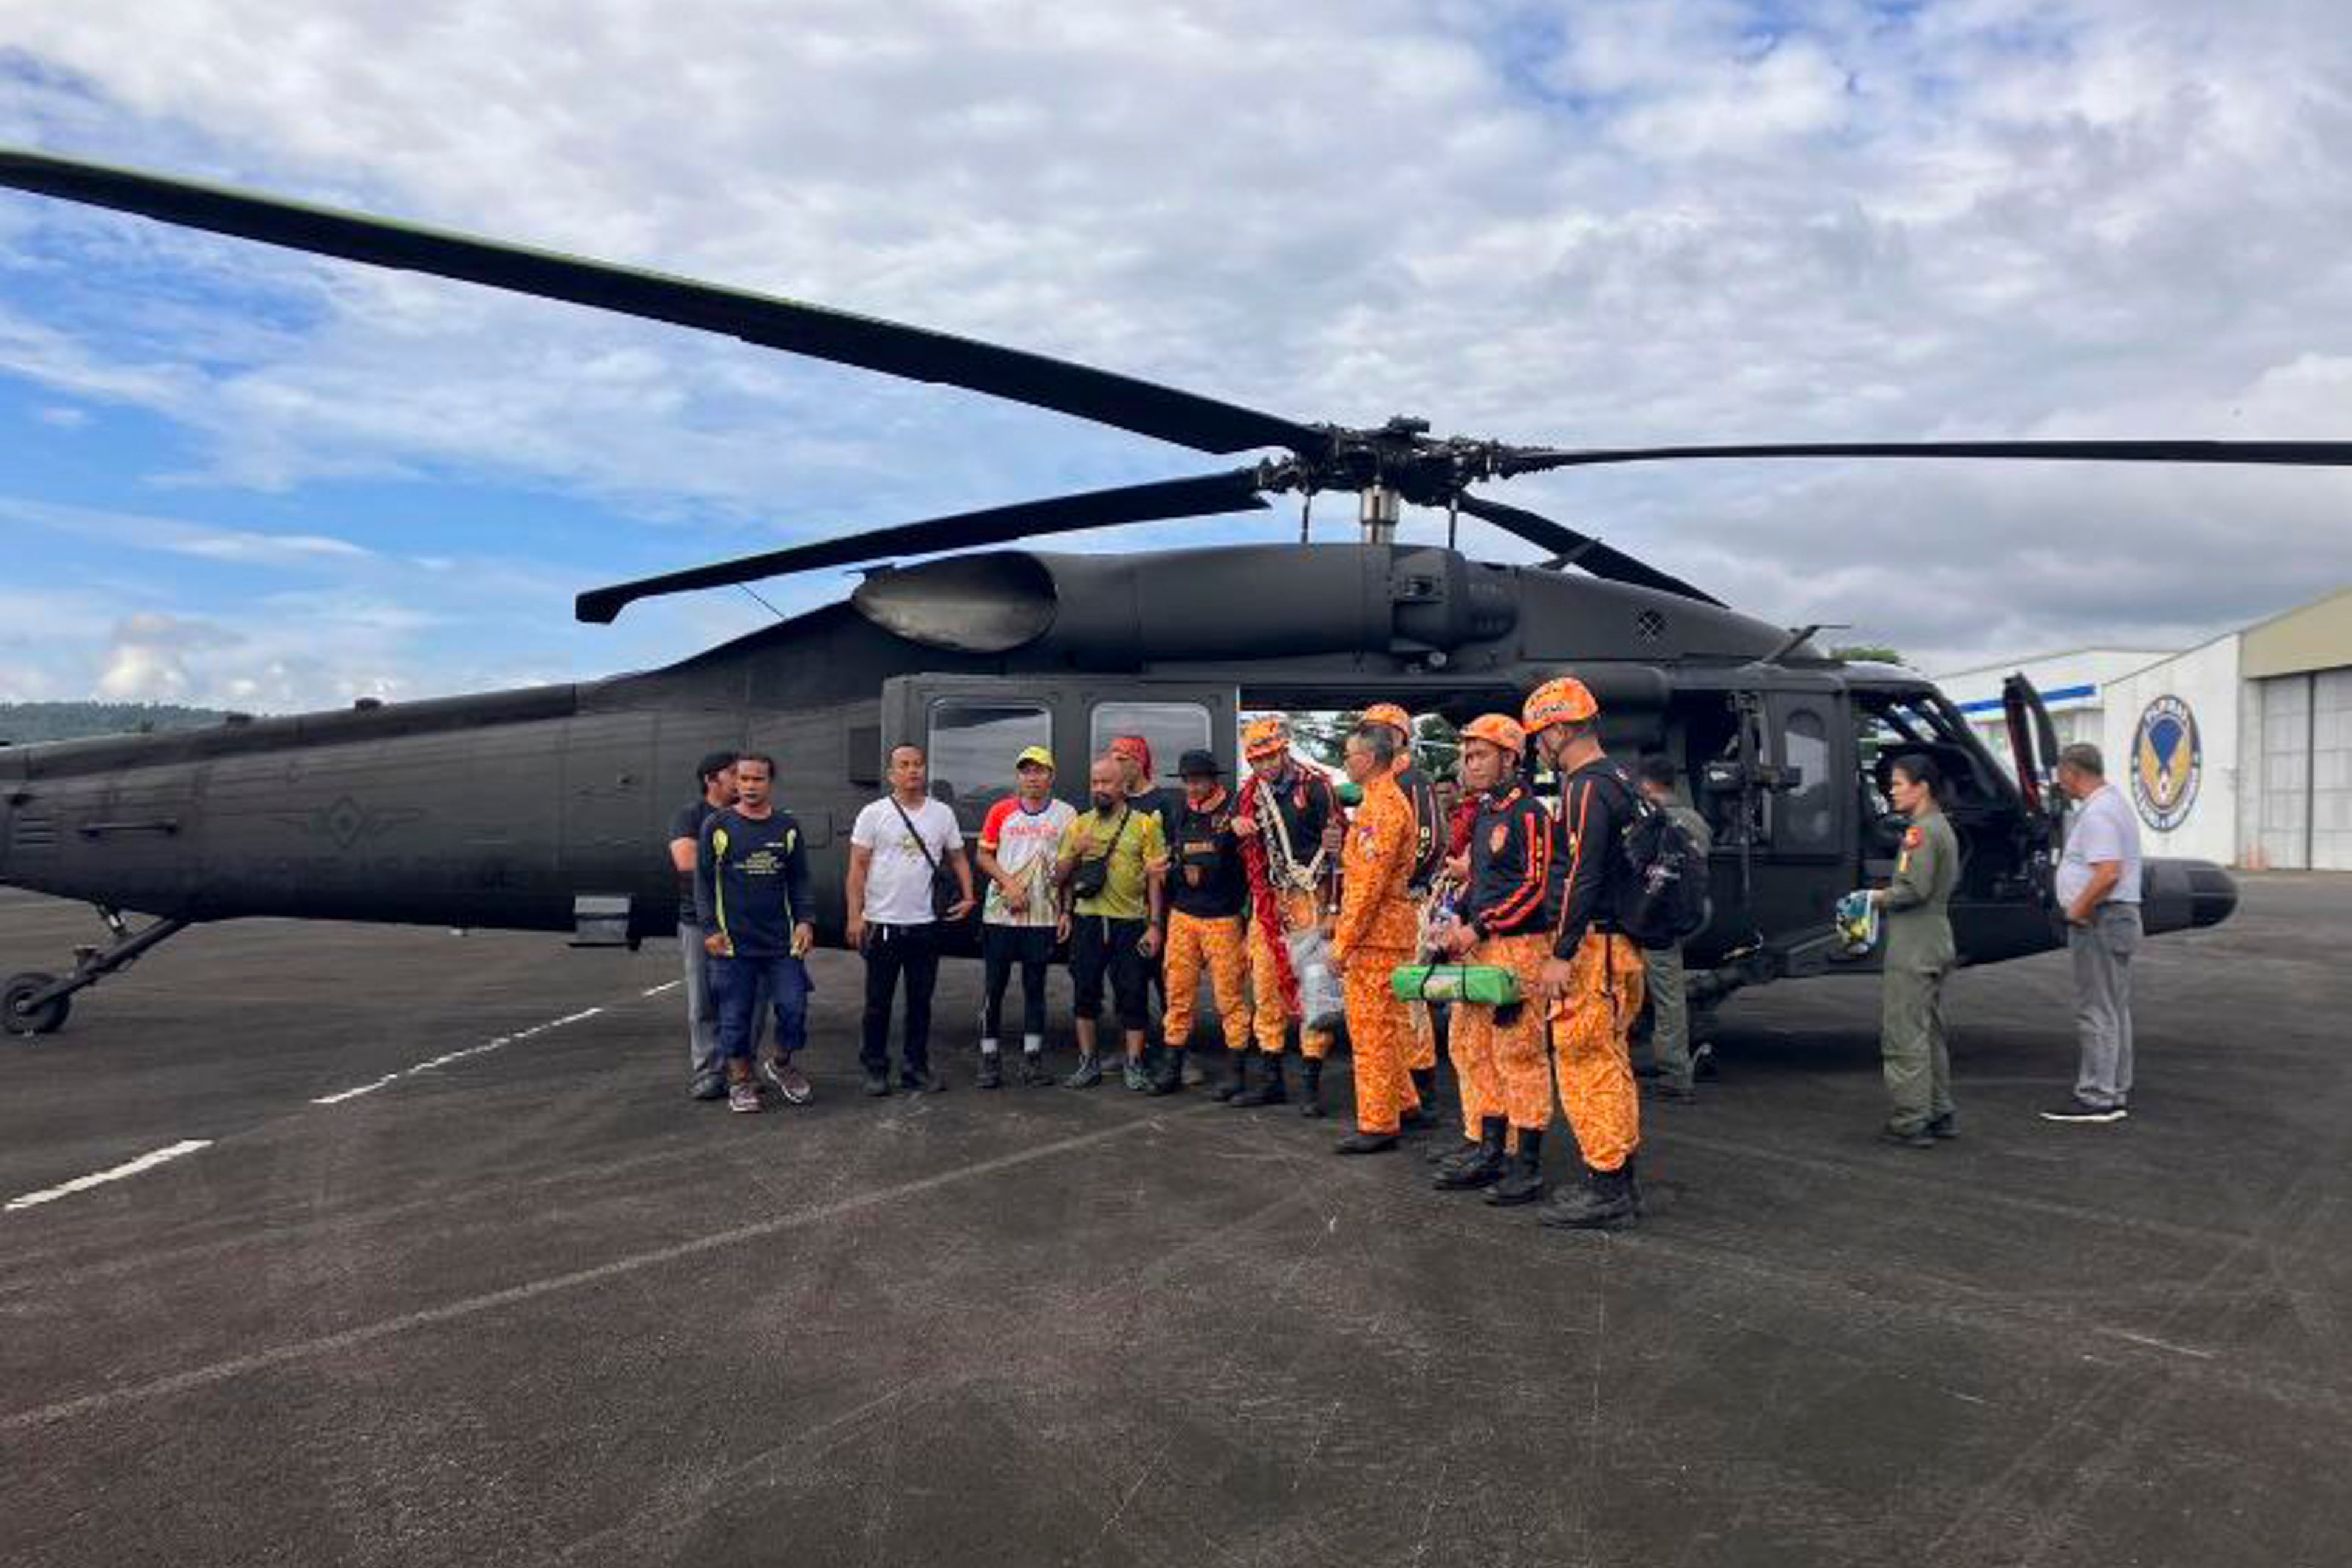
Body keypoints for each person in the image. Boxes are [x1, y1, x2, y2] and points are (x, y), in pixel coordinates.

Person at [1525, 675, 1647, 1227]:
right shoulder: (1621, 779)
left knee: (1582, 1061)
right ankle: (1618, 1176)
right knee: (1612, 1060)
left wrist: (1562, 951)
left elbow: (1579, 877)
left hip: (1592, 946)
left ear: (1562, 729)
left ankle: (1607, 1189)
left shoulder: (1584, 787)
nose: (1537, 747)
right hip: (1620, 944)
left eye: (1539, 735)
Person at [1428, 714, 1554, 1193]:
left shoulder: (1530, 814)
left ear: (1510, 758)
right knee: (1471, 1047)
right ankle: (1489, 1148)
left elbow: (1536, 889)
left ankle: (1528, 1165)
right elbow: (1480, 882)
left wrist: (1478, 927)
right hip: (1478, 948)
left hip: (1518, 950)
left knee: (1519, 1054)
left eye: (1480, 755)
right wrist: (1454, 921)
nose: (1469, 764)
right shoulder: (1485, 812)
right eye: (1467, 755)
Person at [847, 745, 974, 1096]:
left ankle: (915, 1067)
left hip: (926, 924)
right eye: (904, 766)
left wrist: (968, 896)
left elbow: (959, 859)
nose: (913, 771)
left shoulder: (942, 814)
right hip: (882, 923)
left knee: (921, 1003)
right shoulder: (874, 814)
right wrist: (854, 916)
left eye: (918, 765)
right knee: (877, 1003)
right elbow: (857, 868)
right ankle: (875, 1068)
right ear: (891, 775)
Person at [1231, 717, 1345, 1114]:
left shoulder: (1315, 785)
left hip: (1313, 896)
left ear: (1284, 750)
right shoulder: (1250, 793)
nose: (1265, 766)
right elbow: (1231, 827)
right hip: (1271, 904)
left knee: (1314, 988)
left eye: (1270, 757)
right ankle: (1272, 1079)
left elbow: (1337, 852)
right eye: (1257, 760)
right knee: (1264, 985)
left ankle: (1312, 1086)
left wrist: (1334, 910)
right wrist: (1236, 823)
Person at [694, 754, 814, 1114]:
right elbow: (703, 882)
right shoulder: (717, 826)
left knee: (794, 1008)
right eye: (743, 779)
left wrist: (806, 920)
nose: (749, 786)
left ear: (770, 783)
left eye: (757, 780)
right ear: (735, 783)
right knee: (735, 1017)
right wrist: (710, 928)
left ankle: (780, 1064)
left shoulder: (787, 827)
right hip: (733, 943)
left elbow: (800, 880)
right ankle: (741, 1081)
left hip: (782, 941)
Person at [1328, 721, 1426, 1154]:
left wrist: (1342, 944)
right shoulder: (1381, 801)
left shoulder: (1380, 809)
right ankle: (1405, 1104)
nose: (1345, 763)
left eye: (1349, 756)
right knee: (1387, 1029)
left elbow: (1366, 886)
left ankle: (1378, 1122)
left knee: (1371, 1034)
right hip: (1386, 934)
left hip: (1376, 939)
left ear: (1367, 760)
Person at [1056, 754, 1167, 1089]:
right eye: (1095, 783)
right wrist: (1076, 852)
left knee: (1133, 995)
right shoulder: (1079, 825)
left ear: (1123, 786)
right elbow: (1058, 877)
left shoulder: (1146, 824)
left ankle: (1134, 1063)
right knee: (1084, 993)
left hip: (1130, 922)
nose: (1099, 789)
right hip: (1088, 921)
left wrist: (1155, 925)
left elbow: (1154, 880)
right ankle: (1088, 1063)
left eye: (1106, 782)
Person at [2046, 741, 2142, 1124]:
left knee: (2096, 1009)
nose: (2059, 783)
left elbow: (2108, 872)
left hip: (2101, 918)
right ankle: (2115, 1089)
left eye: (2061, 775)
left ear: (2073, 772)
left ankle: (2097, 1096)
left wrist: (2078, 908)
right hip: (2118, 916)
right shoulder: (2114, 804)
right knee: (2116, 1008)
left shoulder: (2098, 814)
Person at [1870, 752, 1960, 1148]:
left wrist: (1874, 898)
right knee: (1930, 1032)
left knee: (1904, 1032)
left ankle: (1910, 1120)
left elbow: (1913, 890)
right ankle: (1940, 1110)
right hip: (1937, 938)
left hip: (1914, 944)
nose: (1892, 790)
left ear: (1922, 787)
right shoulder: (1943, 828)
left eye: (1899, 783)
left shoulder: (1919, 833)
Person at [1361, 702, 1445, 1123]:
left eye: (1379, 729)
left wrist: (1403, 885)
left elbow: (1430, 841)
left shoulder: (1414, 780)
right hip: (1383, 912)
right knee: (1391, 1007)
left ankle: (1423, 1085)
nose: (1372, 735)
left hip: (1407, 905)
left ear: (1399, 737)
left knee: (1410, 1001)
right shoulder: (1376, 785)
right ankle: (1404, 1092)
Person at [974, 745, 1075, 1089]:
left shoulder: (1066, 815)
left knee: (1036, 988)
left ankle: (1032, 1060)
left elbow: (1069, 869)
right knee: (994, 988)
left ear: (1051, 776)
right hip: (1000, 915)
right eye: (1026, 771)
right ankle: (989, 1059)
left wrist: (1066, 911)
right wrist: (1009, 885)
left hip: (1043, 917)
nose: (1033, 777)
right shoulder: (1001, 811)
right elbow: (983, 857)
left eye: (1040, 771)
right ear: (1019, 777)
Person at [1157, 749, 1253, 1096]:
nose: (1192, 788)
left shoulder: (1235, 811)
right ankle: (1172, 1067)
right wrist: (1167, 866)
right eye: (1187, 781)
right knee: (1178, 994)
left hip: (1223, 919)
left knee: (1229, 998)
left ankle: (1236, 1073)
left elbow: (1250, 869)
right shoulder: (1179, 810)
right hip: (1183, 915)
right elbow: (1172, 852)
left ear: (1214, 780)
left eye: (1197, 781)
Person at [1632, 752, 1713, 1103]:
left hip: (1654, 919)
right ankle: (1670, 1064)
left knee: (1664, 997)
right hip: (1683, 914)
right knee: (1666, 994)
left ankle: (1675, 1075)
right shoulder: (1695, 820)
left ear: (1648, 784)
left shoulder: (1655, 820)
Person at [671, 751, 739, 1101]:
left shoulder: (749, 815)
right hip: (699, 922)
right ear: (711, 780)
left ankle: (742, 1069)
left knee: (746, 999)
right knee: (704, 1003)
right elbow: (685, 861)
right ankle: (709, 1072)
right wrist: (743, 863)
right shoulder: (691, 816)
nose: (741, 779)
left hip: (744, 922)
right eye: (733, 773)